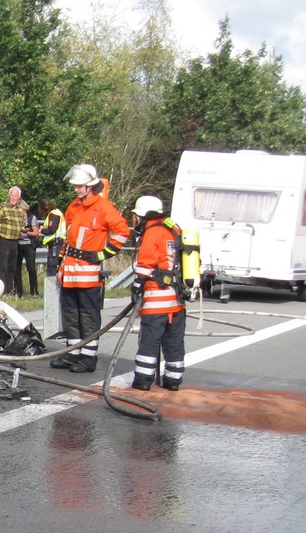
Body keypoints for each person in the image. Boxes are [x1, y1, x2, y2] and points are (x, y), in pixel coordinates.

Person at [51, 164, 130, 373]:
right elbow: (69, 236)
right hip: (69, 273)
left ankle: (88, 357)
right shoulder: (73, 207)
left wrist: (102, 255)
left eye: (80, 186)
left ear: (90, 186)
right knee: (70, 314)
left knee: (87, 315)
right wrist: (60, 260)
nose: (76, 189)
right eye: (75, 186)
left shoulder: (103, 208)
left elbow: (122, 232)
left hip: (88, 274)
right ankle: (73, 353)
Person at [129, 195, 187, 391]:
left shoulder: (153, 231)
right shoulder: (173, 228)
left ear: (145, 215)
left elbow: (145, 263)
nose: (135, 221)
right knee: (174, 341)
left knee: (150, 340)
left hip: (157, 296)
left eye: (137, 217)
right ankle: (173, 380)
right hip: (176, 299)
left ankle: (143, 380)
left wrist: (137, 285)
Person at [0, 185, 25, 296]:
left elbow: (21, 225)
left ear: (19, 197)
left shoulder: (20, 210)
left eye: (16, 196)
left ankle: (8, 291)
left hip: (15, 242)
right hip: (4, 241)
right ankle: (0, 292)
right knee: (2, 268)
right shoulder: (3, 207)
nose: (14, 198)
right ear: (9, 196)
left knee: (12, 269)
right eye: (12, 195)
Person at [16, 201, 40, 296]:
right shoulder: (16, 218)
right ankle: (18, 291)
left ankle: (34, 290)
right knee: (16, 269)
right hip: (18, 244)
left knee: (31, 268)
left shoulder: (32, 218)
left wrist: (27, 232)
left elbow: (36, 233)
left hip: (29, 245)